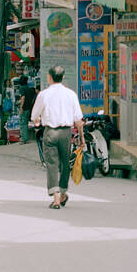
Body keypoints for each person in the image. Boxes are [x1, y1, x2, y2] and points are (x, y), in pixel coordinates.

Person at [29, 64, 84, 209]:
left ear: (49, 77)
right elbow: (78, 120)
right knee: (65, 163)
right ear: (63, 77)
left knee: (52, 164)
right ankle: (63, 193)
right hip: (66, 133)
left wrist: (36, 121)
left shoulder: (44, 94)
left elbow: (34, 116)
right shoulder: (71, 94)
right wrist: (82, 139)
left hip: (50, 132)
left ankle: (56, 198)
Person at [19, 76, 38, 145]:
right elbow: (35, 93)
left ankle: (23, 139)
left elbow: (23, 97)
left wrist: (21, 107)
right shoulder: (29, 88)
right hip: (29, 108)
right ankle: (25, 138)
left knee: (23, 124)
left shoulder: (22, 88)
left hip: (24, 108)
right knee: (26, 123)